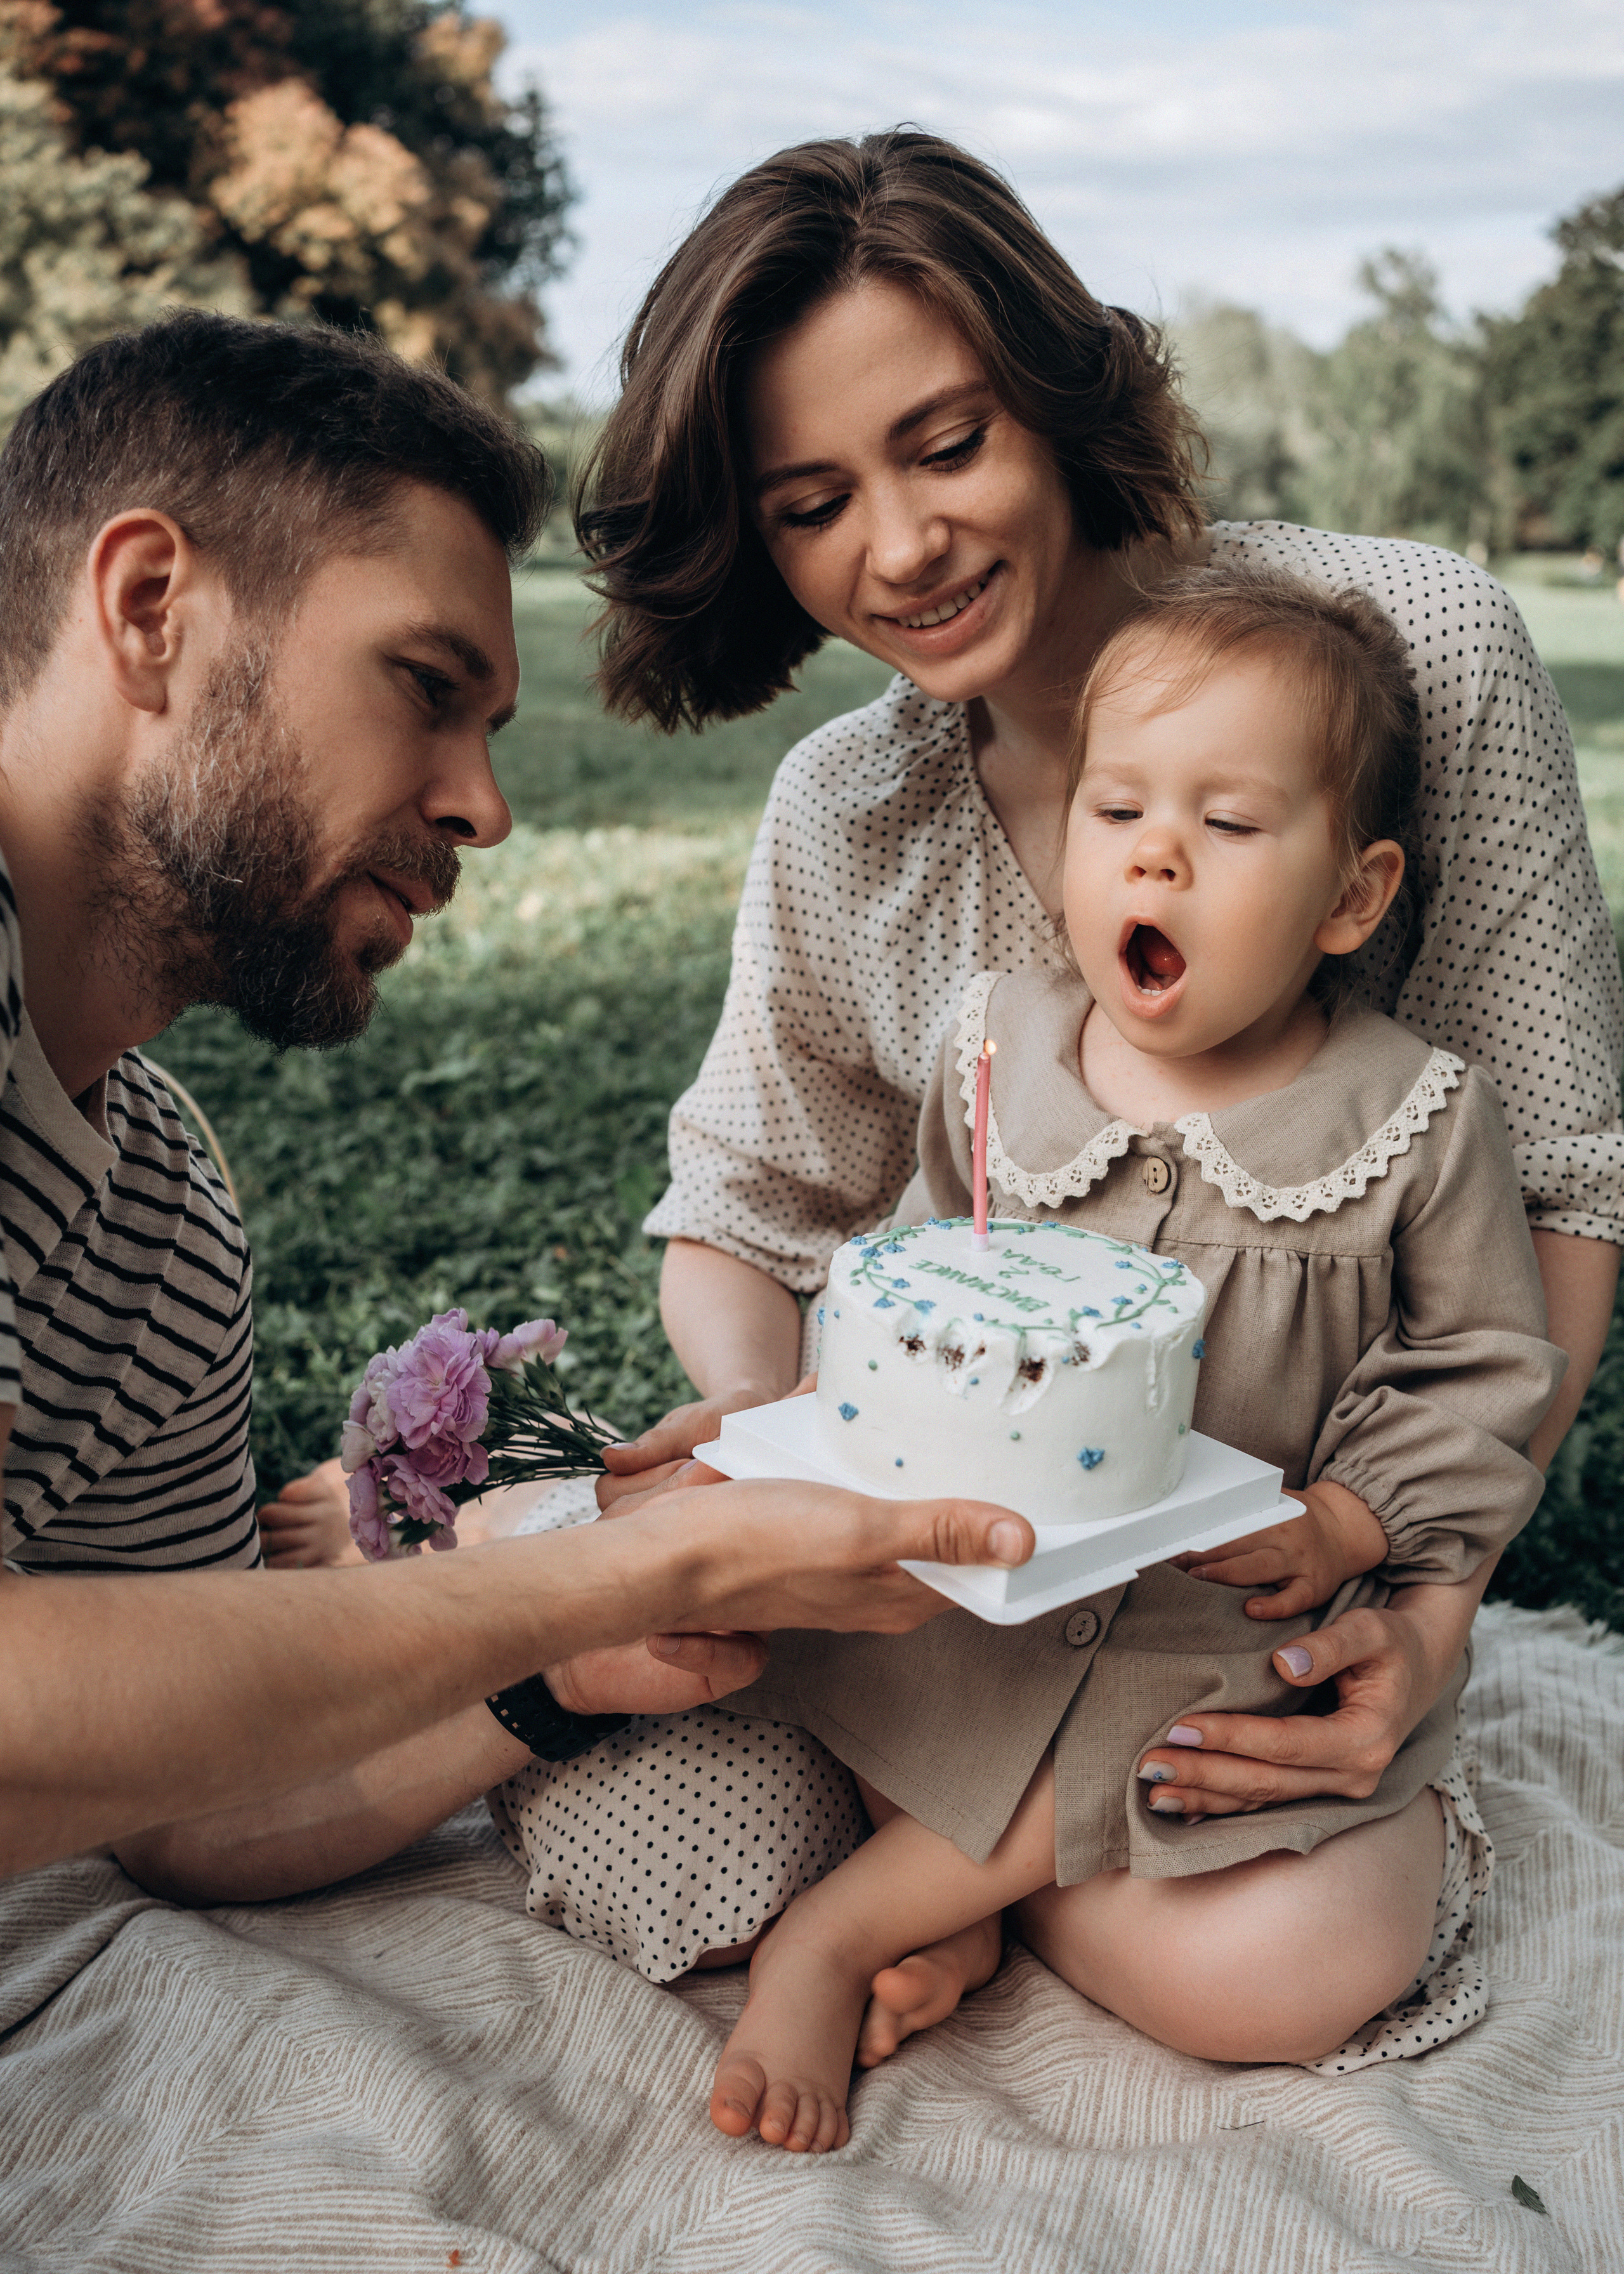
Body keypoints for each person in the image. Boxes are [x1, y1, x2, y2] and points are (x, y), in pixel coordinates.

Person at [466, 129, 1621, 2005]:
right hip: (930, 1575)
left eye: (946, 446)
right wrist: (817, 1479)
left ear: (1061, 397)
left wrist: (1430, 1611)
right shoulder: (845, 809)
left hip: (1249, 1602)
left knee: (1290, 1962)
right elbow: (740, 1215)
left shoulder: (1423, 654)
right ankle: (957, 1860)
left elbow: (1561, 1188)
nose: (901, 549)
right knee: (669, 1840)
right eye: (810, 501)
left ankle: (967, 1872)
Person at [0, 309, 1042, 1890]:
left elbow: (175, 1801)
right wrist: (616, 1570)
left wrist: (564, 1660)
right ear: (152, 608)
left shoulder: (157, 1228)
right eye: (424, 685)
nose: (483, 805)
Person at [691, 564, 1562, 2151]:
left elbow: (1484, 1362)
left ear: (1351, 898)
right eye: (1115, 812)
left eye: (1227, 828)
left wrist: (1353, 1527)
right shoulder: (996, 1055)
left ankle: (931, 1896)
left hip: (1221, 1625)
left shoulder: (1410, 1117)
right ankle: (856, 1927)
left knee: (1303, 1966)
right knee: (876, 1686)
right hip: (990, 1596)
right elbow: (920, 1267)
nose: (1155, 853)